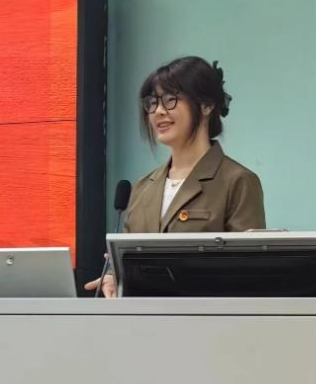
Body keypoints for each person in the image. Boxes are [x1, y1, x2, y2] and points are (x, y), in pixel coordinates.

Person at [85, 56, 265, 298]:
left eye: (170, 100)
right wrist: (113, 276)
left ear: (206, 105)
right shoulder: (142, 188)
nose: (158, 111)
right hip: (142, 318)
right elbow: (127, 261)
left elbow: (250, 274)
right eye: (152, 102)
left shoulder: (238, 181)